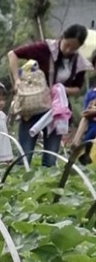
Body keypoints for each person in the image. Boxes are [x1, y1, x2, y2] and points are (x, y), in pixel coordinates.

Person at [7, 25, 91, 167]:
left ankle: (46, 187)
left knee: (50, 160)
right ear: (62, 37)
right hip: (34, 105)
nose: (69, 50)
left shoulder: (78, 62)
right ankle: (21, 183)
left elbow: (77, 88)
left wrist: (60, 89)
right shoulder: (44, 49)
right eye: (67, 45)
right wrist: (17, 80)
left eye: (74, 48)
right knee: (24, 156)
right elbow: (12, 54)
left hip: (57, 111)